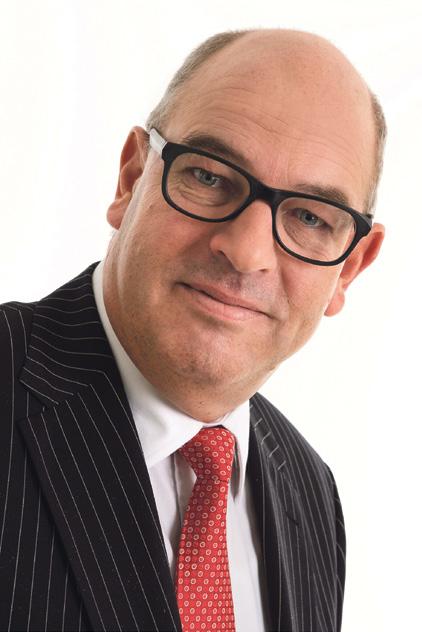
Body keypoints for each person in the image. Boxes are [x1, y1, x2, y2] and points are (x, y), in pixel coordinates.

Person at [0, 28, 385, 632]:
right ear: (132, 177)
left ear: (350, 268)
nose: (246, 252)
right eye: (209, 177)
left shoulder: (312, 494)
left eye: (311, 217)